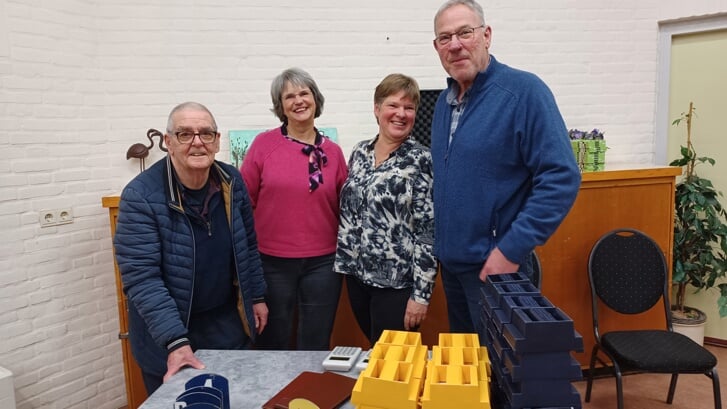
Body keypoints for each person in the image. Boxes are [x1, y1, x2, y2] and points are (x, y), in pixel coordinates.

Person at [430, 0, 581, 339]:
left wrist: (510, 250)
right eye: (445, 37)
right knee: (468, 373)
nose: (455, 44)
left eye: (464, 32)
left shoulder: (524, 92)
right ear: (437, 47)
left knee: (502, 376)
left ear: (486, 35)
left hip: (497, 269)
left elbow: (561, 177)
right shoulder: (443, 103)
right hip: (453, 268)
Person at [113, 102, 269, 394]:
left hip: (226, 324)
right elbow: (142, 279)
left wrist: (256, 295)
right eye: (185, 134)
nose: (197, 142)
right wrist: (175, 341)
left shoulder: (232, 181)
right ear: (168, 143)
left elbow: (248, 243)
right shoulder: (140, 197)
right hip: (167, 334)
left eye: (206, 134)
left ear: (217, 141)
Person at [241, 67, 348, 350]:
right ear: (281, 106)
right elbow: (244, 202)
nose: (298, 100)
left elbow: (344, 207)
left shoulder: (334, 152)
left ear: (315, 99)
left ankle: (311, 393)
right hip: (272, 262)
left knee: (316, 340)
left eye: (304, 93)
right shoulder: (263, 145)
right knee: (273, 339)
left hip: (324, 263)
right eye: (290, 96)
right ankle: (273, 395)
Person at [334, 73, 437, 345]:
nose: (401, 114)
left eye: (409, 107)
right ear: (377, 109)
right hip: (356, 276)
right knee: (374, 351)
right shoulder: (359, 152)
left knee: (393, 361)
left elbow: (428, 232)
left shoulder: (422, 159)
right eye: (393, 105)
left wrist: (421, 296)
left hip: (397, 285)